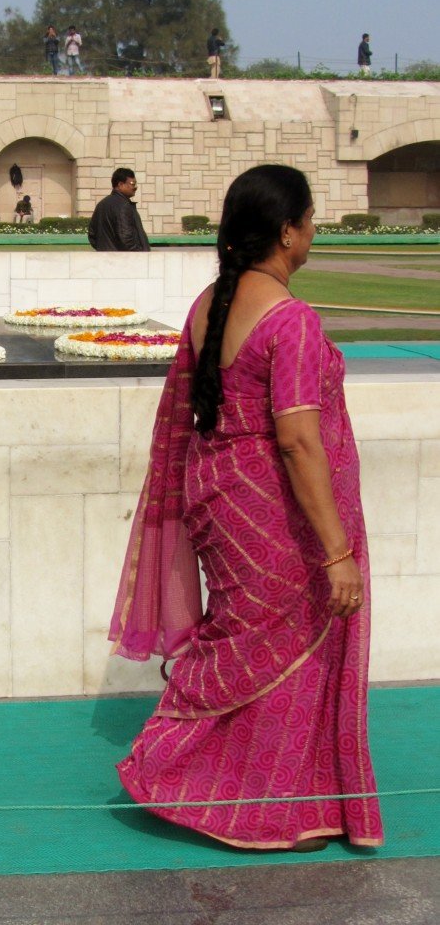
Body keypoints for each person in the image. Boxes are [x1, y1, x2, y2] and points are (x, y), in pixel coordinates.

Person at [109, 164, 384, 852]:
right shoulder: (289, 320)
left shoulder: (210, 303)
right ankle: (247, 801)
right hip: (276, 514)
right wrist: (338, 552)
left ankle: (277, 802)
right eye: (311, 221)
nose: (314, 232)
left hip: (220, 498)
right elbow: (296, 441)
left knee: (245, 641)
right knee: (282, 647)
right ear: (288, 232)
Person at [88, 168, 150, 251]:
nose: (135, 187)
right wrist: (139, 255)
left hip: (105, 259)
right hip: (124, 260)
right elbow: (126, 238)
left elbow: (92, 235)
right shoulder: (123, 205)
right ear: (120, 184)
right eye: (132, 184)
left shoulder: (102, 204)